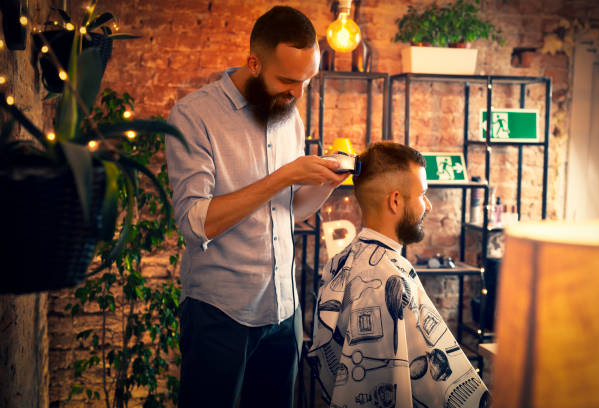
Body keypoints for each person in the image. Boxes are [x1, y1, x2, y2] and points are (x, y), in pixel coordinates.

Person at [164, 6, 348, 408]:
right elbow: (195, 224)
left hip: (284, 310)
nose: (298, 93)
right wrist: (283, 177)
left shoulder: (289, 114)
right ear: (253, 62)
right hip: (219, 312)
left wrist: (326, 185)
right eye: (287, 80)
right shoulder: (193, 117)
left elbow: (287, 211)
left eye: (307, 81)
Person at [308, 142, 490, 408]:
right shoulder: (389, 279)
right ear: (395, 201)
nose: (427, 206)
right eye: (422, 194)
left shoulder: (340, 262)